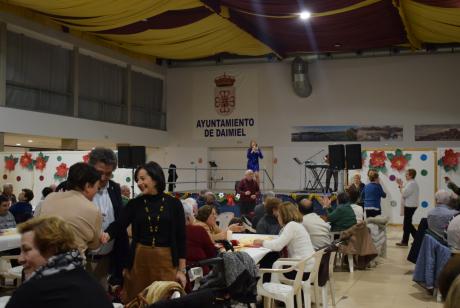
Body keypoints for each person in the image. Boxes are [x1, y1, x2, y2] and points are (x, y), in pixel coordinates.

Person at [104, 161, 187, 303]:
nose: (139, 183)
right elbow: (119, 224)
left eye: (142, 178)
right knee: (138, 299)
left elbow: (181, 238)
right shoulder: (134, 204)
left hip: (166, 261)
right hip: (139, 260)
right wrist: (107, 234)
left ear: (155, 178)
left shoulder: (174, 204)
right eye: (137, 180)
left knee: (164, 299)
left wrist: (181, 270)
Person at [5, 216, 112, 308]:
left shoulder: (32, 292)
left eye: (27, 250)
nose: (20, 259)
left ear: (51, 249)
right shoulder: (90, 283)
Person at [39, 162, 103, 255]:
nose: (97, 191)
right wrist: (101, 237)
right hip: (71, 264)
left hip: (43, 260)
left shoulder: (49, 197)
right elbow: (94, 245)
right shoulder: (92, 210)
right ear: (88, 186)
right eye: (97, 187)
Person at [253, 202, 315, 273]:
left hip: (301, 270)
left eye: (279, 216)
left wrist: (262, 242)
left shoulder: (291, 226)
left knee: (271, 261)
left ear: (284, 216)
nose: (278, 218)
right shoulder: (297, 225)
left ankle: (267, 282)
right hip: (307, 266)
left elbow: (278, 246)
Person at [182, 201, 216, 274]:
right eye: (192, 214)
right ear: (188, 217)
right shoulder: (198, 230)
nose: (194, 217)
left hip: (176, 272)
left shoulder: (169, 231)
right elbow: (211, 252)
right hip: (198, 272)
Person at [396, 169, 420, 246]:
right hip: (410, 205)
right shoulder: (410, 183)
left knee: (407, 224)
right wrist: (401, 184)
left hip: (410, 206)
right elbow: (404, 191)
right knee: (407, 224)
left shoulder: (412, 183)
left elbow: (404, 193)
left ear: (411, 175)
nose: (405, 176)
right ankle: (414, 239)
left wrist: (400, 185)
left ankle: (414, 240)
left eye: (407, 174)